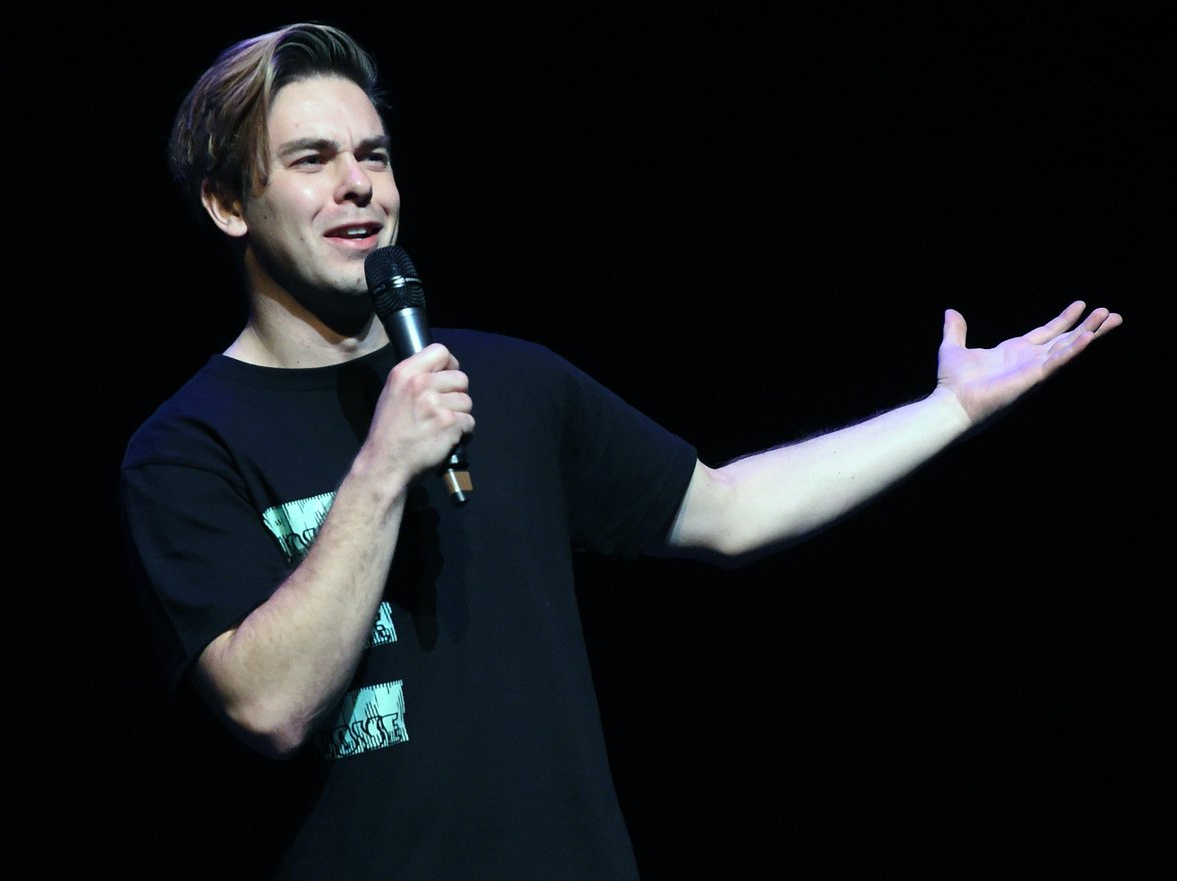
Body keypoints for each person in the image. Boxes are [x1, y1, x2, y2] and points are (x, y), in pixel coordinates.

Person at [119, 21, 1122, 881]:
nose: (359, 188)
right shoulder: (188, 446)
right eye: (312, 160)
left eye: (373, 156)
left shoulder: (512, 382)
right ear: (227, 204)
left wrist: (946, 411)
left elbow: (727, 507)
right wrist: (383, 465)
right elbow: (270, 704)